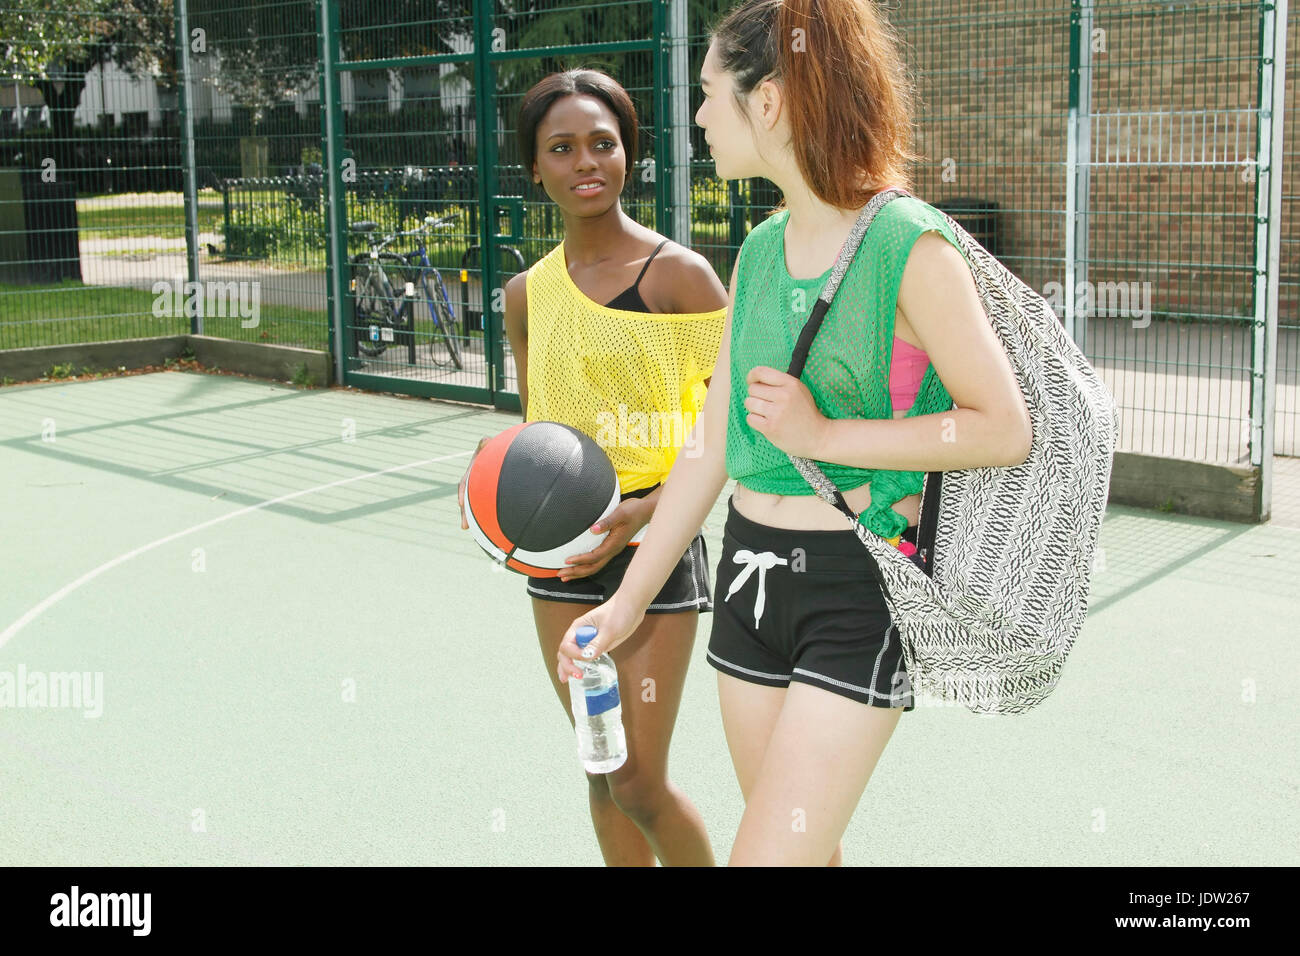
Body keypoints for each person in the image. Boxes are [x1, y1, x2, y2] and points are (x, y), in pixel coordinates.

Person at [554, 0, 1034, 867]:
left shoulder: (909, 246)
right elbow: (710, 445)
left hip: (857, 589)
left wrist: (826, 432)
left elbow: (1002, 428)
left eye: (709, 93)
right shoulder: (763, 249)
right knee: (807, 851)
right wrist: (623, 609)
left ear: (766, 102)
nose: (697, 116)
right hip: (747, 577)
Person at [457, 69, 728, 866]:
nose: (586, 161)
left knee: (641, 780)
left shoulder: (679, 278)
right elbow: (536, 429)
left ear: (628, 155)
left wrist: (649, 510)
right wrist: (496, 490)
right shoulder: (524, 295)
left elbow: (735, 424)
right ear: (533, 166)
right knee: (600, 764)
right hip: (564, 557)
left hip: (654, 543)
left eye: (603, 144)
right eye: (562, 147)